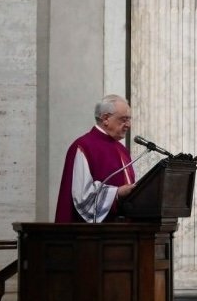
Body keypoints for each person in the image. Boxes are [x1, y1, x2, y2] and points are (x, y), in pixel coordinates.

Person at [54, 95, 137, 223]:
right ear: (106, 118)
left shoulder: (122, 150)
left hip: (125, 228)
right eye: (124, 119)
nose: (128, 125)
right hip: (91, 232)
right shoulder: (84, 146)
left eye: (129, 119)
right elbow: (83, 197)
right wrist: (117, 193)